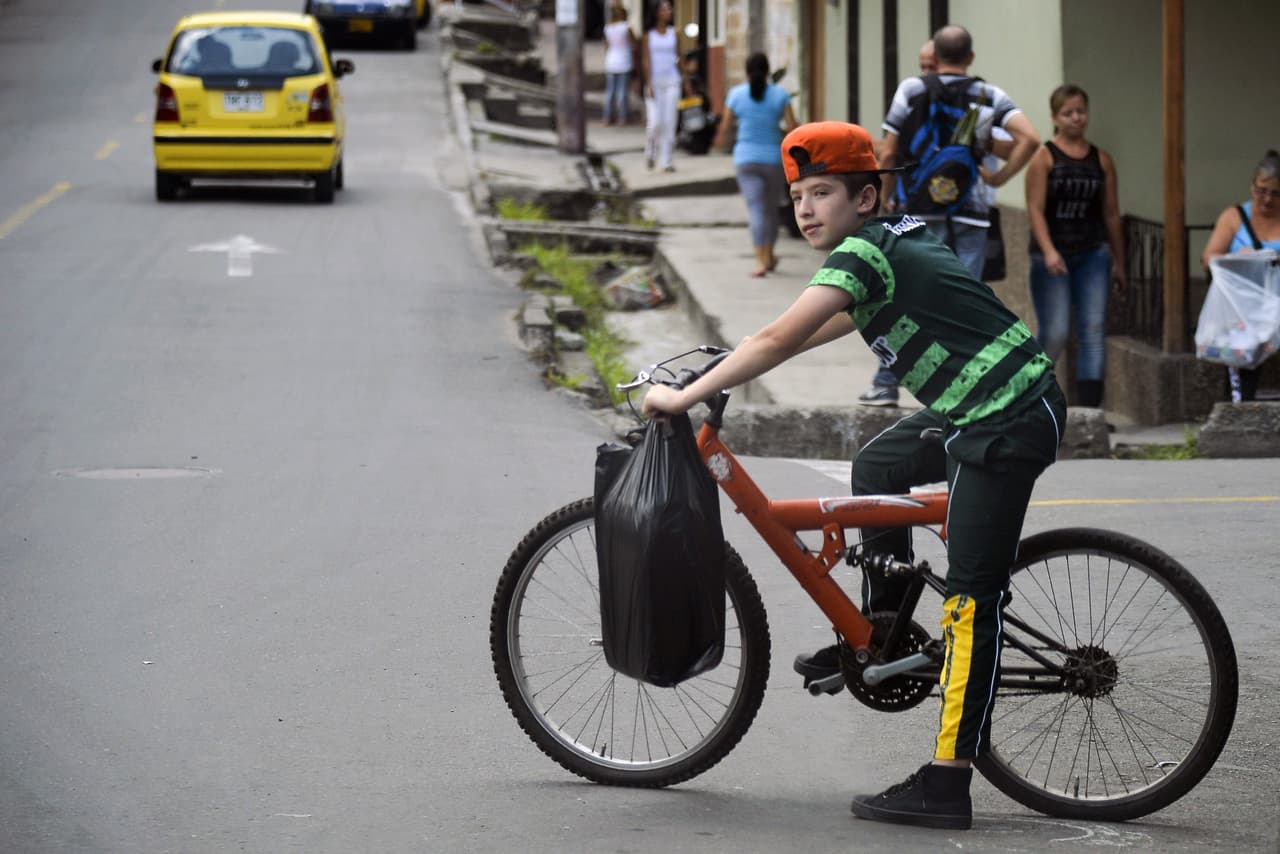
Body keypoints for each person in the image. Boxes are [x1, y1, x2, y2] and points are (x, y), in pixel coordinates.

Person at [642, 121, 1066, 830]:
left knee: (970, 603)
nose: (806, 209)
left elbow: (780, 336)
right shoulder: (882, 245)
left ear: (866, 196)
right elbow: (804, 330)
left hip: (1007, 420)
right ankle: (883, 633)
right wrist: (731, 358)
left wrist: (684, 396)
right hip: (984, 410)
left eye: (823, 193)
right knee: (877, 466)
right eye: (799, 196)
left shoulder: (866, 253)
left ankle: (947, 783)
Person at [861, 24, 1039, 407]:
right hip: (971, 210)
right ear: (971, 57)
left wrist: (886, 198)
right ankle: (969, 388)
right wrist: (1001, 176)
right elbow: (1031, 139)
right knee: (965, 300)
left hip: (919, 209)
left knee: (903, 294)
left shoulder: (912, 89)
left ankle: (886, 383)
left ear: (934, 58)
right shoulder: (989, 94)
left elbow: (889, 153)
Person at [1024, 84, 1127, 408]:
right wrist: (1050, 250)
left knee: (1092, 331)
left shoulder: (1102, 160)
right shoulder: (1044, 158)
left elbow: (1111, 212)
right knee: (1055, 332)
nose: (1076, 118)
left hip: (1092, 253)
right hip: (1052, 257)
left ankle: (1089, 414)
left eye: (1081, 111)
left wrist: (1119, 261)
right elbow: (1035, 210)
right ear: (1055, 117)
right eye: (1068, 113)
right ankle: (1027, 400)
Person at [1200, 149, 1280, 402]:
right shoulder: (1234, 217)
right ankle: (1240, 409)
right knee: (1244, 357)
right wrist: (1235, 259)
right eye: (1261, 191)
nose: (1267, 200)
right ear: (1251, 186)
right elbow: (1208, 258)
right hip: (1243, 309)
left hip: (1276, 305)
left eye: (1276, 194)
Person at [713, 52, 798, 277]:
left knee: (756, 210)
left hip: (745, 159)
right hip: (773, 159)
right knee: (770, 210)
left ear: (746, 71)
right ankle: (769, 255)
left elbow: (724, 129)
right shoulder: (780, 95)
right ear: (768, 70)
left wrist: (722, 143)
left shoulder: (736, 95)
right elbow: (793, 129)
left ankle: (761, 260)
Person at [641, 1, 681, 172]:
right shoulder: (648, 36)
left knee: (670, 122)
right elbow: (645, 60)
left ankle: (667, 161)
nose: (669, 11)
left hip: (672, 81)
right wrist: (648, 82)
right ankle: (650, 150)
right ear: (657, 13)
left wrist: (686, 81)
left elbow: (679, 59)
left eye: (669, 9)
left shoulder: (675, 33)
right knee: (654, 122)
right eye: (665, 9)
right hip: (655, 83)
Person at [601, 3, 636, 126]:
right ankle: (622, 117)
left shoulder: (608, 28)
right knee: (622, 92)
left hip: (611, 61)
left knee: (610, 92)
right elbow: (634, 45)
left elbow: (606, 46)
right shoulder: (626, 28)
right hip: (624, 61)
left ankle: (607, 117)